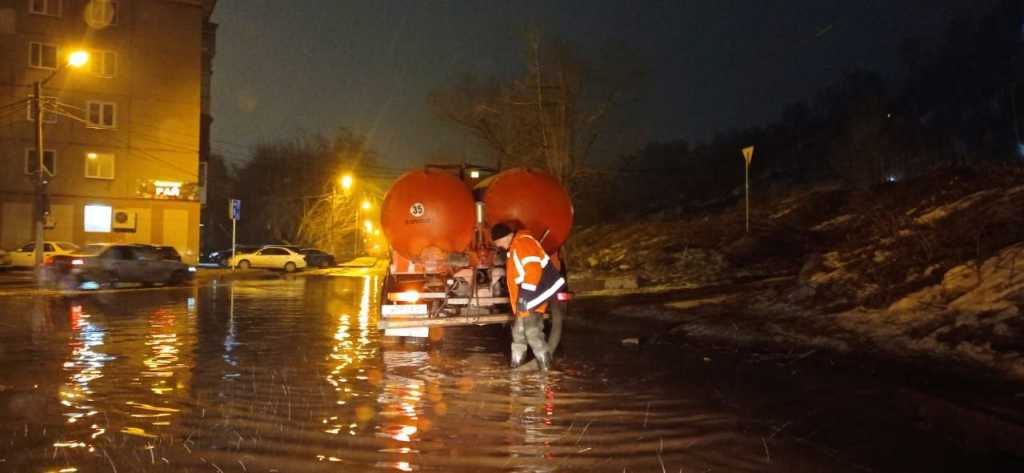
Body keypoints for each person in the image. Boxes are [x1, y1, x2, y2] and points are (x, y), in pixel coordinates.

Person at [491, 222, 566, 371]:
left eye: (498, 242)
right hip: (529, 295)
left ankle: (546, 368)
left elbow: (532, 270)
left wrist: (524, 297)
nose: (499, 246)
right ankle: (516, 367)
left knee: (531, 331)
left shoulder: (523, 242)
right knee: (518, 331)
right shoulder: (514, 247)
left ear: (505, 237)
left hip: (536, 293)